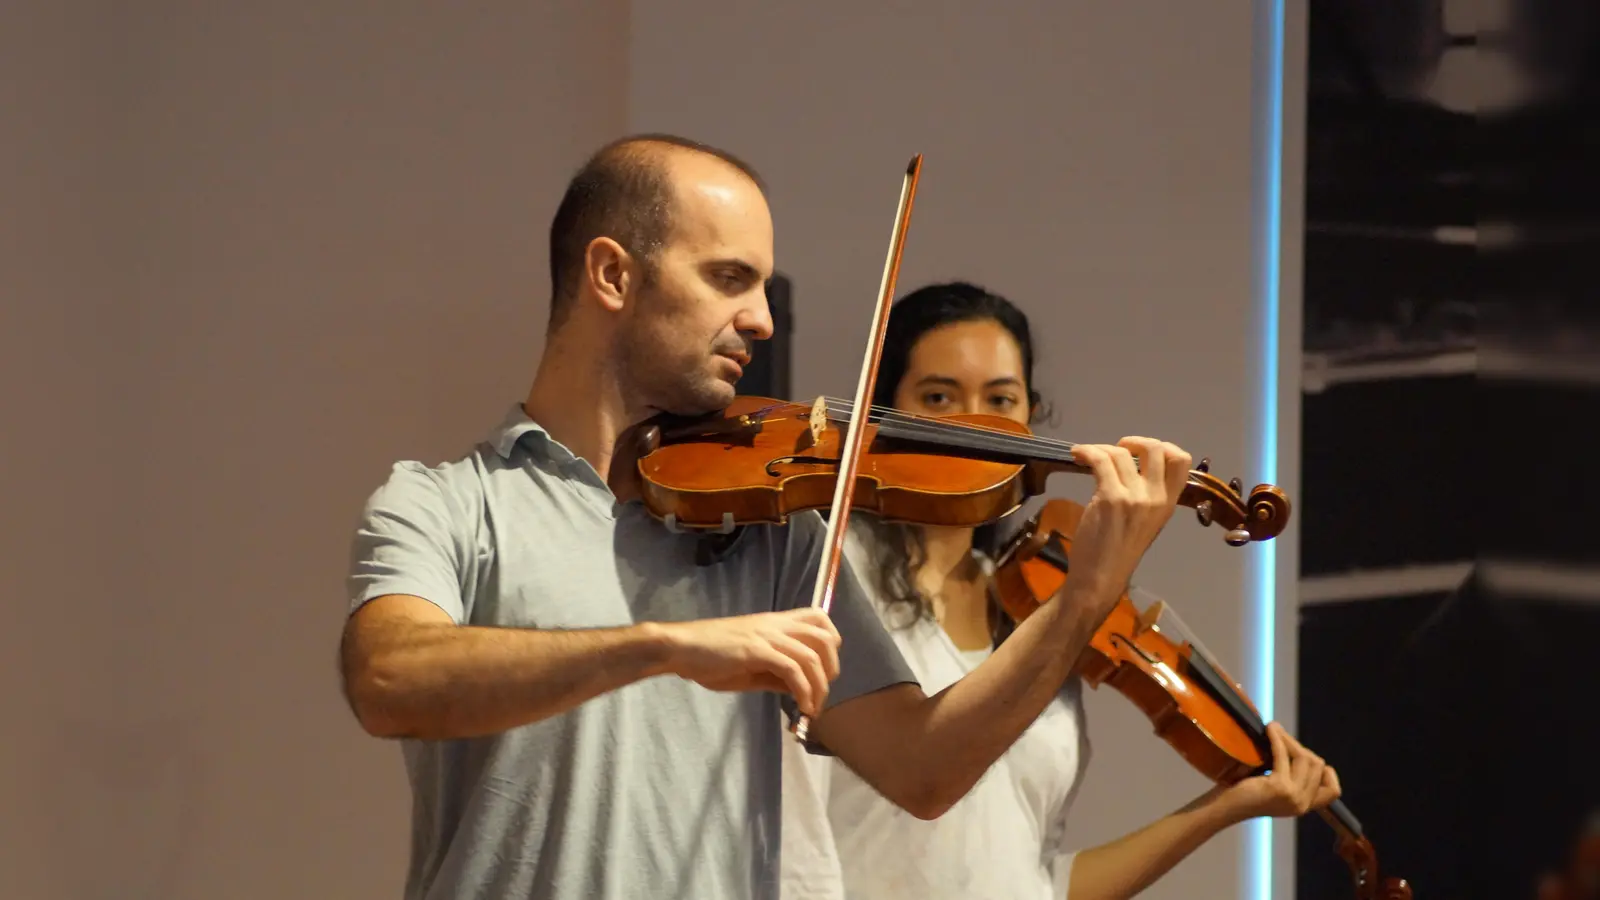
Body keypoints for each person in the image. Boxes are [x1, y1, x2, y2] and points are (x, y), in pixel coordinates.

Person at [337, 133, 1198, 900]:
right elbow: (388, 681)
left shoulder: (769, 531)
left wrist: (1082, 600)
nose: (761, 318)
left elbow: (924, 768)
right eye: (727, 279)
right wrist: (662, 644)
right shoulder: (446, 502)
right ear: (611, 275)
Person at [779, 282, 1343, 900]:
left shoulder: (1031, 609)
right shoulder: (829, 568)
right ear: (884, 411)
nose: (973, 424)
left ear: (1029, 418)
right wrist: (1085, 596)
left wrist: (1225, 807)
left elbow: (1032, 881)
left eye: (1000, 398)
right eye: (938, 396)